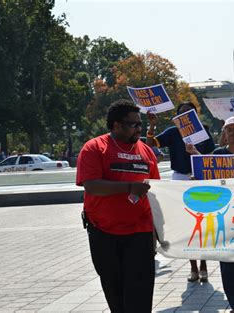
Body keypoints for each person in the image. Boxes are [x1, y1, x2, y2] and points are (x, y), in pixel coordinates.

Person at [76, 99, 159, 313]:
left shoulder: (147, 152)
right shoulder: (94, 148)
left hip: (140, 233)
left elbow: (156, 191)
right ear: (115, 125)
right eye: (133, 124)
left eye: (139, 124)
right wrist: (129, 187)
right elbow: (92, 186)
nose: (139, 129)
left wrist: (157, 230)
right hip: (103, 232)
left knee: (140, 294)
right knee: (115, 292)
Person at [186, 116, 234, 313]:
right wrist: (198, 178)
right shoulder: (217, 155)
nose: (232, 133)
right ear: (224, 134)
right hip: (224, 217)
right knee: (228, 261)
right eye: (229, 130)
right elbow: (206, 180)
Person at [146, 101, 215, 282]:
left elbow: (212, 156)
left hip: (200, 178)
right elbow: (150, 144)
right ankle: (192, 266)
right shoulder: (172, 132)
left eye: (189, 112)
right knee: (186, 226)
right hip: (180, 179)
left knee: (202, 224)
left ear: (196, 115)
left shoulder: (204, 132)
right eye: (182, 113)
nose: (185, 116)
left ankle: (204, 264)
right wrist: (152, 125)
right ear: (177, 117)